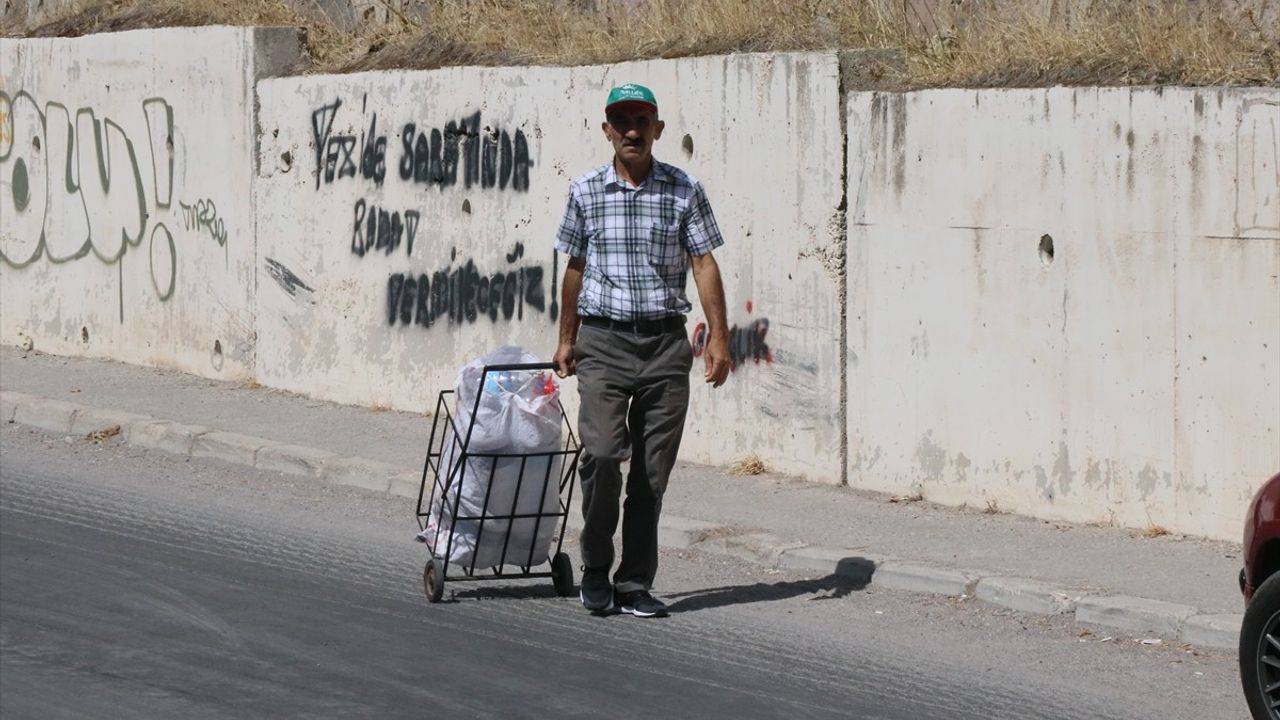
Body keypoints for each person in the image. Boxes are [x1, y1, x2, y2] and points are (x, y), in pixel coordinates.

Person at [553, 83, 731, 618]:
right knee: (604, 455)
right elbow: (575, 270)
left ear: (657, 128)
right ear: (607, 129)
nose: (632, 130)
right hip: (604, 342)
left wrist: (719, 336)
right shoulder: (584, 191)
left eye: (642, 120)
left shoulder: (684, 189)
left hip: (664, 344)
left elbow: (703, 264)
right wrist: (566, 337)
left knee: (652, 475)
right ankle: (594, 568)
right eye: (621, 120)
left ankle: (634, 582)